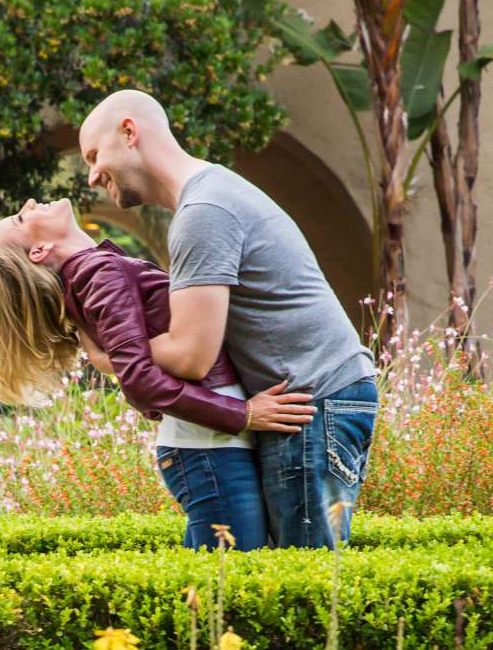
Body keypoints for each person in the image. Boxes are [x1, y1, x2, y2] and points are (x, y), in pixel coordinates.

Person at [77, 89, 378, 549]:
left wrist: (109, 355)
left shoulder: (204, 213)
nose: (93, 176)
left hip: (312, 402)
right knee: (290, 580)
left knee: (305, 591)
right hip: (309, 401)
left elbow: (192, 356)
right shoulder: (209, 196)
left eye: (95, 155)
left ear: (130, 132)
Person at [0, 197, 315, 550]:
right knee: (229, 587)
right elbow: (140, 383)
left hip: (207, 449)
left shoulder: (92, 272)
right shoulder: (98, 272)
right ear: (39, 250)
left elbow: (131, 366)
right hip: (209, 450)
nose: (29, 203)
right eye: (21, 218)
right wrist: (243, 414)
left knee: (221, 586)